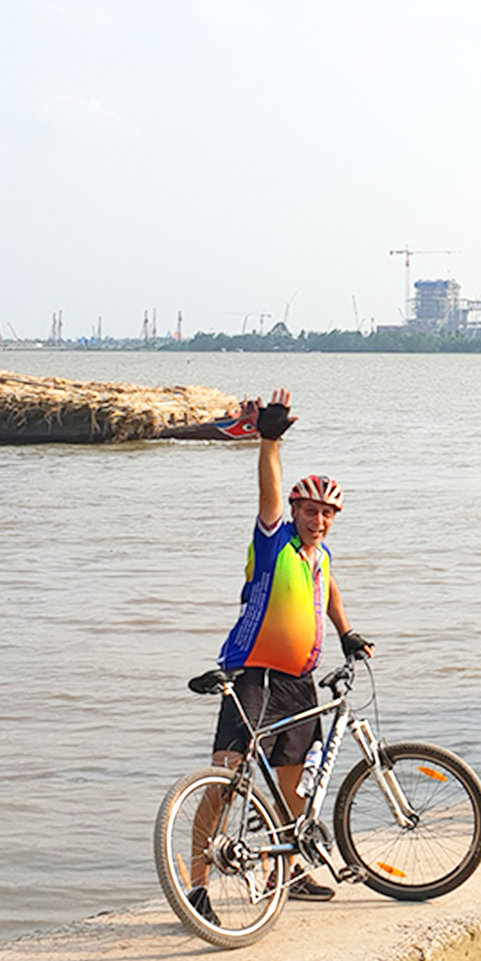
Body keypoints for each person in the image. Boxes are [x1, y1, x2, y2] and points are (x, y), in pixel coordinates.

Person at [188, 389, 369, 924]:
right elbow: (267, 494)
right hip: (255, 677)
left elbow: (330, 587)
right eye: (311, 511)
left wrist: (348, 632)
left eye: (327, 513)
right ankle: (197, 883)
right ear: (295, 511)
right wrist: (269, 441)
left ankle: (284, 875)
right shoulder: (275, 540)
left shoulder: (320, 554)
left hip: (299, 681)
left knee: (293, 783)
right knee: (225, 781)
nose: (319, 520)